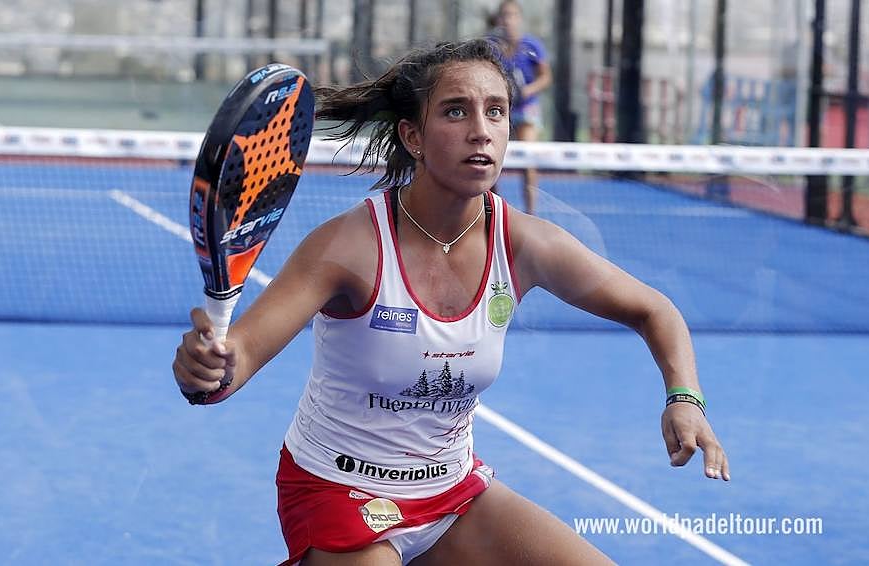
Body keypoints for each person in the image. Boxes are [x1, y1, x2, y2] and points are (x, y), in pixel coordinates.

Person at [172, 38, 730, 566]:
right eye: (457, 111)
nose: (482, 131)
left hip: (451, 490)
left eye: (496, 111)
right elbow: (234, 362)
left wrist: (686, 398)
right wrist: (209, 368)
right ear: (413, 137)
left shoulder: (525, 244)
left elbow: (654, 310)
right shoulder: (349, 247)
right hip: (337, 488)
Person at [489, 0, 552, 215]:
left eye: (513, 15)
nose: (509, 20)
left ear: (520, 19)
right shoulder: (490, 46)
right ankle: (492, 210)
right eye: (505, 15)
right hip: (499, 110)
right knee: (492, 159)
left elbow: (545, 78)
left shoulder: (532, 46)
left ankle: (531, 214)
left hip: (526, 110)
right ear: (498, 20)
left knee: (527, 161)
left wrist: (528, 90)